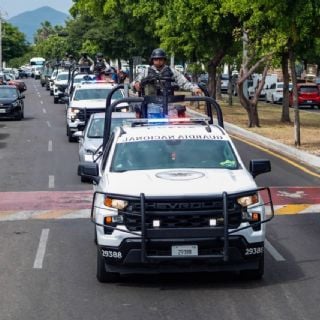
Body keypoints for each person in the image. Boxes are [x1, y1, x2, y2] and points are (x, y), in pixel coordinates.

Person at [132, 48, 202, 96]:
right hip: (150, 103)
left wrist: (194, 88)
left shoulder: (171, 71)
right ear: (152, 60)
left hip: (168, 103)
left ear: (164, 60)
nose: (158, 61)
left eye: (160, 59)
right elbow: (134, 82)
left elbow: (183, 82)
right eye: (156, 59)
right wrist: (136, 84)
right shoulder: (146, 71)